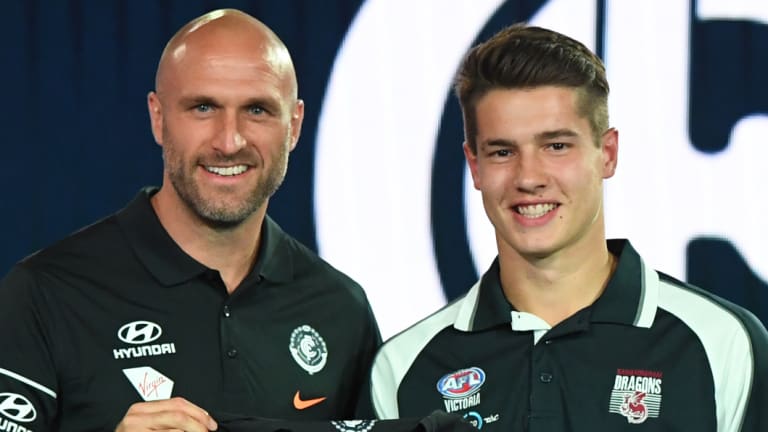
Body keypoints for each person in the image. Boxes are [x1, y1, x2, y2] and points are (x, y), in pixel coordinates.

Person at [367, 23, 767, 431]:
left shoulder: (723, 345)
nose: (529, 177)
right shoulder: (402, 370)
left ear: (607, 154)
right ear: (475, 166)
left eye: (556, 146)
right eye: (502, 151)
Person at [0, 8, 381, 432]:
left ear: (294, 126)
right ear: (158, 118)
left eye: (257, 110)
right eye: (203, 107)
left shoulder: (341, 310)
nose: (229, 140)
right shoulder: (45, 295)